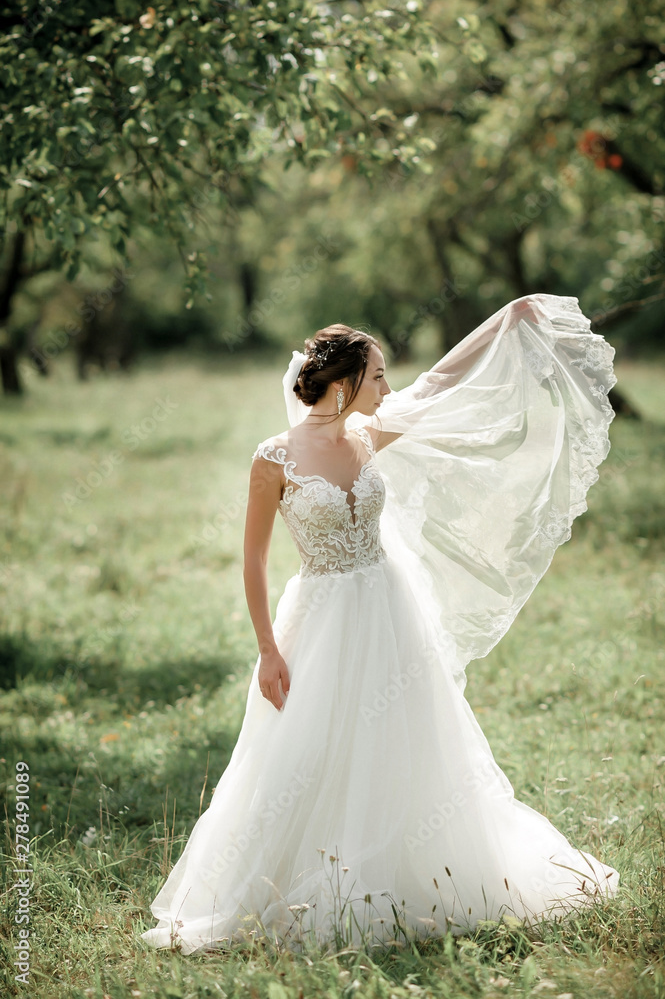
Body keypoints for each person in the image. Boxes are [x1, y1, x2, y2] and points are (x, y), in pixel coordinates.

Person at [140, 293, 620, 955]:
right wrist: (267, 651)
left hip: (389, 610)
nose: (387, 387)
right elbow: (251, 561)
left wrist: (506, 320)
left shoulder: (367, 434)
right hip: (320, 619)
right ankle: (299, 882)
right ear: (342, 383)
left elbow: (440, 380)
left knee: (406, 742)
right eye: (378, 376)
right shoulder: (272, 458)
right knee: (308, 750)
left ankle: (416, 873)